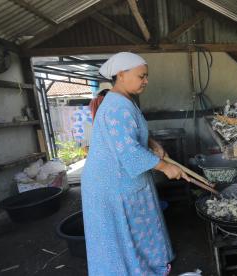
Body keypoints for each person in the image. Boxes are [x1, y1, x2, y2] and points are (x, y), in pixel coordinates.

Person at [81, 52, 189, 275]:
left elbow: (130, 134)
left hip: (123, 179)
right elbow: (129, 151)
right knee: (122, 231)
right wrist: (166, 167)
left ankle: (147, 263)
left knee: (138, 227)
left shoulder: (122, 100)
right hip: (110, 183)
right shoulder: (116, 107)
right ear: (121, 75)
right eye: (142, 76)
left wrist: (153, 143)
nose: (146, 81)